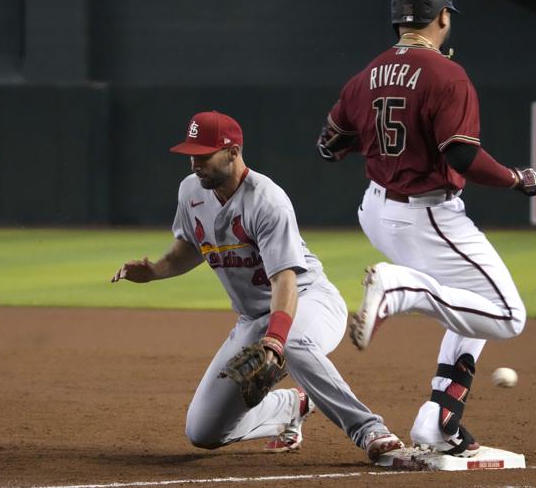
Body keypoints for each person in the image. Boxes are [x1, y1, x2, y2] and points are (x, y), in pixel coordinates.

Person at [316, 0, 536, 457]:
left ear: (398, 20)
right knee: (507, 315)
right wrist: (515, 178)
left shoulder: (366, 75)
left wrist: (374, 138)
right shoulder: (446, 75)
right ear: (443, 17)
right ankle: (400, 289)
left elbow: (328, 145)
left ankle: (439, 420)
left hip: (377, 209)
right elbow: (462, 157)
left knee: (471, 303)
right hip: (426, 213)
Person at [112, 110, 402, 462]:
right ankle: (290, 407)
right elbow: (190, 247)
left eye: (204, 155)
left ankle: (369, 428)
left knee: (292, 343)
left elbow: (285, 280)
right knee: (203, 432)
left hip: (308, 300)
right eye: (191, 154)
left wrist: (275, 339)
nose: (195, 164)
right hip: (253, 318)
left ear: (233, 152)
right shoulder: (191, 192)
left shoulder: (266, 200)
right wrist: (156, 270)